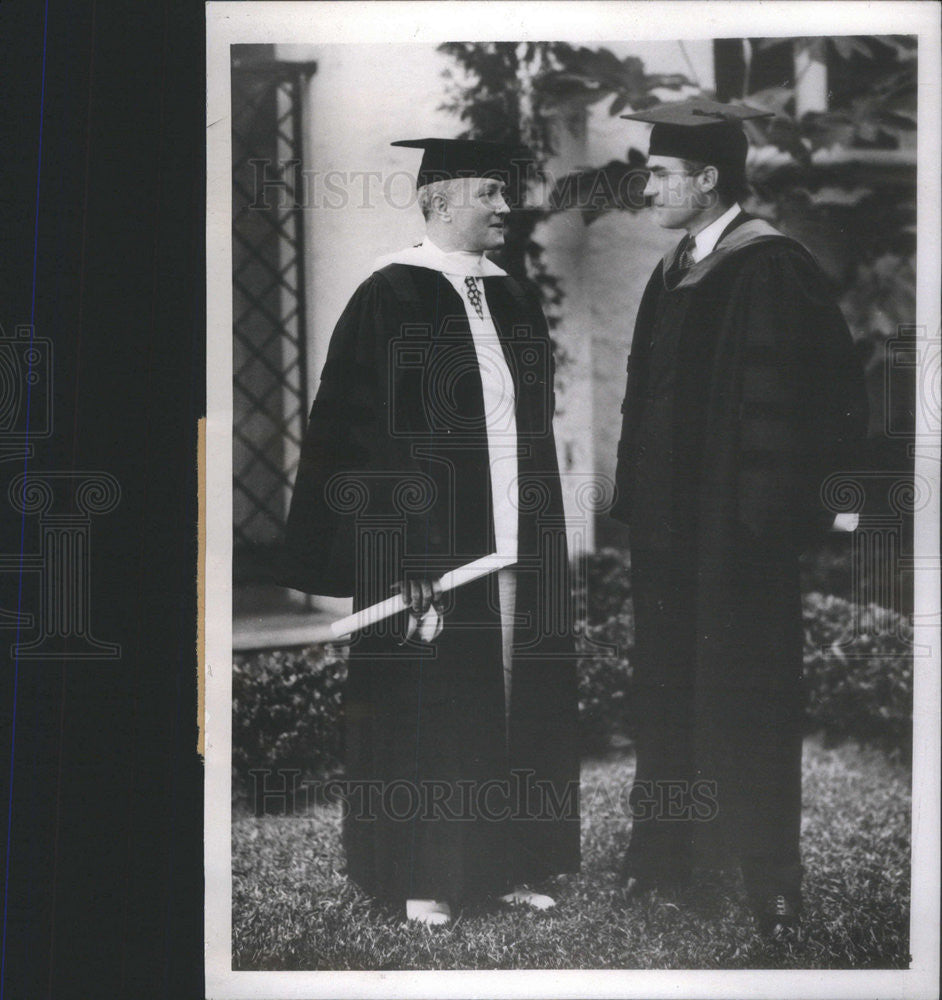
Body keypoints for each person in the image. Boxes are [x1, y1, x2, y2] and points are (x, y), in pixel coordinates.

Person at [280, 138, 580, 925]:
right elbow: (353, 435)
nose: (507, 207)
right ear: (441, 200)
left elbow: (531, 424)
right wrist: (400, 551)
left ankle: (506, 863)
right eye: (492, 193)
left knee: (510, 695)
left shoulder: (511, 296)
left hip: (513, 533)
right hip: (427, 550)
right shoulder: (390, 294)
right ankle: (424, 874)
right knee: (432, 706)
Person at [609, 99, 868, 939]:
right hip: (669, 539)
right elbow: (642, 401)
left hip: (738, 542)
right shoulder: (671, 270)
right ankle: (663, 857)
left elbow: (825, 396)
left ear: (708, 178)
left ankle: (771, 879)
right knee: (665, 692)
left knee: (751, 699)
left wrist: (776, 522)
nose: (648, 188)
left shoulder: (771, 264)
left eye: (661, 174)